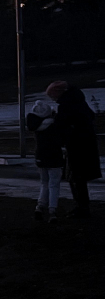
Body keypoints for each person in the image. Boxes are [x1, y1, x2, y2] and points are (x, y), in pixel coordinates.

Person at [51, 81, 98, 220]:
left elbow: (62, 124)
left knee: (76, 177)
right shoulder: (78, 101)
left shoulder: (67, 105)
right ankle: (83, 206)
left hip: (76, 146)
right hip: (85, 144)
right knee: (79, 178)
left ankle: (82, 207)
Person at [26, 91, 63, 221]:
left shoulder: (36, 127)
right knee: (54, 184)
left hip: (40, 156)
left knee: (44, 183)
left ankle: (40, 205)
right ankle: (52, 209)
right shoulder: (53, 125)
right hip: (55, 157)